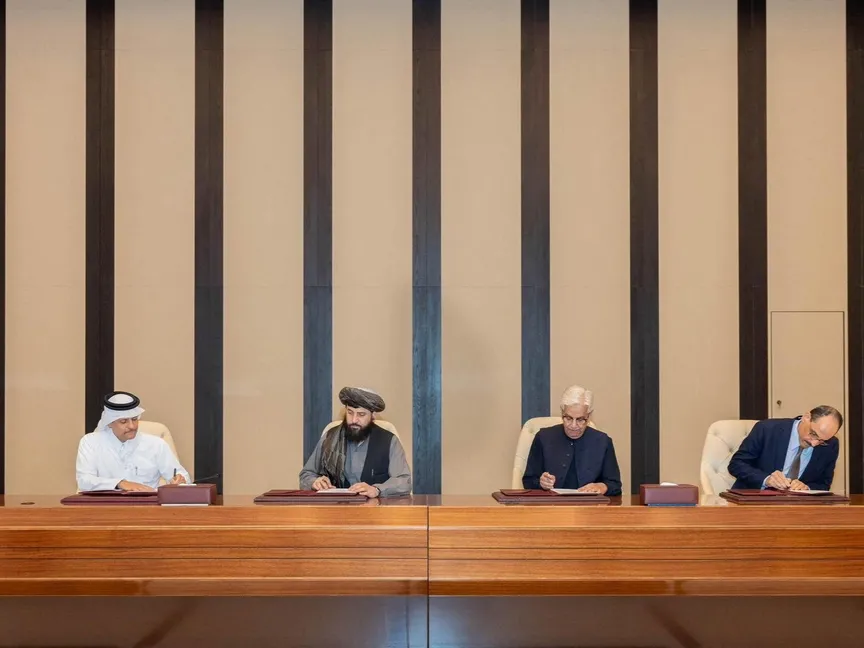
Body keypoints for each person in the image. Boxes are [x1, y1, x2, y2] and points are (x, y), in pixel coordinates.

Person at [299, 387, 411, 498]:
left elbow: (404, 481)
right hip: (336, 506)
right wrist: (315, 482)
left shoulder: (389, 441)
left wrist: (377, 489)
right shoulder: (330, 437)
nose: (354, 420)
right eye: (350, 412)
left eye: (361, 415)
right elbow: (306, 475)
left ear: (373, 415)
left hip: (375, 507)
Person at [76, 391, 190, 492]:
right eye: (123, 421)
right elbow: (84, 481)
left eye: (135, 419)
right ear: (109, 423)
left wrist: (180, 480)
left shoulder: (156, 444)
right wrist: (120, 483)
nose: (132, 426)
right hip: (105, 506)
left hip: (147, 506)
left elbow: (181, 475)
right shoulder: (90, 442)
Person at [522, 385, 622, 495]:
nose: (573, 425)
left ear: (588, 416)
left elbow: (615, 485)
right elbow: (528, 481)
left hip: (589, 505)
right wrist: (541, 483)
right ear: (562, 413)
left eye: (580, 419)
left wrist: (602, 486)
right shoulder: (543, 437)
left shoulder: (603, 442)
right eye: (568, 418)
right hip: (552, 504)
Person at [728, 405, 842, 491]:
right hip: (753, 503)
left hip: (798, 509)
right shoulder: (767, 429)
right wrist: (766, 479)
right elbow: (736, 464)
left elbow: (824, 484)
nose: (814, 443)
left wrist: (807, 487)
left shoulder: (831, 445)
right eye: (813, 434)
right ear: (806, 417)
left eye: (822, 441)